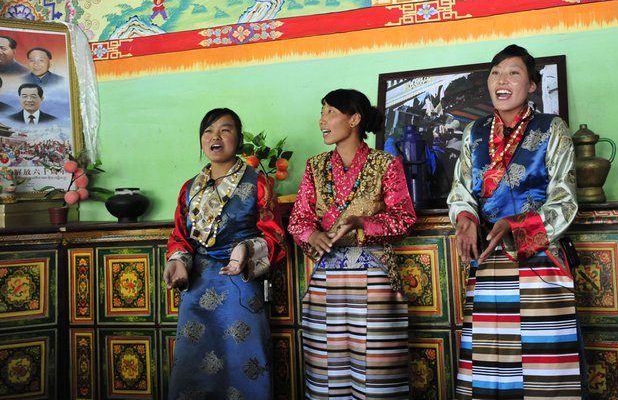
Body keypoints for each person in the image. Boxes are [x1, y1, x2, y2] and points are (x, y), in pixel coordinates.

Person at [447, 44, 582, 399]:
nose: (501, 80)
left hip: (538, 261)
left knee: (544, 365)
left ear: (532, 86)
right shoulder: (474, 132)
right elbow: (461, 190)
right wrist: (465, 220)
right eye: (495, 73)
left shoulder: (551, 128)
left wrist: (516, 225)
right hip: (488, 261)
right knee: (490, 366)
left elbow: (565, 200)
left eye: (513, 73)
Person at [287, 89, 416, 400]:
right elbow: (298, 220)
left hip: (373, 275)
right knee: (326, 367)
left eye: (330, 112)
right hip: (326, 277)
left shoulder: (386, 163)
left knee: (375, 370)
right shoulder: (314, 166)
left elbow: (404, 217)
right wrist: (312, 235)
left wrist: (362, 223)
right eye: (322, 112)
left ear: (354, 119)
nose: (322, 120)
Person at [163, 108, 287, 399]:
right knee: (192, 365)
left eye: (225, 129)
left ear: (239, 139)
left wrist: (245, 250)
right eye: (208, 131)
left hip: (239, 285)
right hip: (196, 288)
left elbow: (275, 236)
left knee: (243, 363)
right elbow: (180, 236)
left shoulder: (258, 182)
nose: (215, 137)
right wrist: (178, 262)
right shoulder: (189, 188)